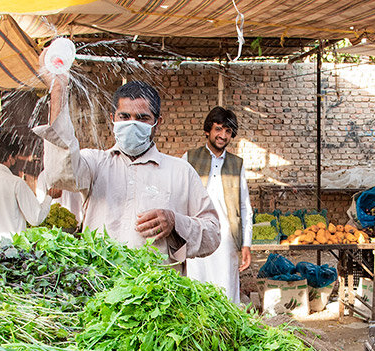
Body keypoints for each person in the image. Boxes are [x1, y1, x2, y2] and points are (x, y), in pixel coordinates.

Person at [34, 67, 219, 267]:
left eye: (142, 118)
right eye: (124, 117)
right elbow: (60, 174)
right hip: (100, 282)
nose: (132, 124)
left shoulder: (180, 172)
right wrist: (58, 91)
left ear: (157, 123)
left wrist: (175, 222)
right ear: (112, 119)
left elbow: (213, 234)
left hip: (156, 284)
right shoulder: (95, 164)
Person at [183, 106, 253, 303]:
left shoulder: (237, 164)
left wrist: (246, 244)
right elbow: (178, 197)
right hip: (197, 234)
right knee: (196, 289)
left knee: (226, 290)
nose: (223, 135)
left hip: (226, 238)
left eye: (228, 131)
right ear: (208, 130)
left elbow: (245, 207)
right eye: (218, 129)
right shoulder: (189, 158)